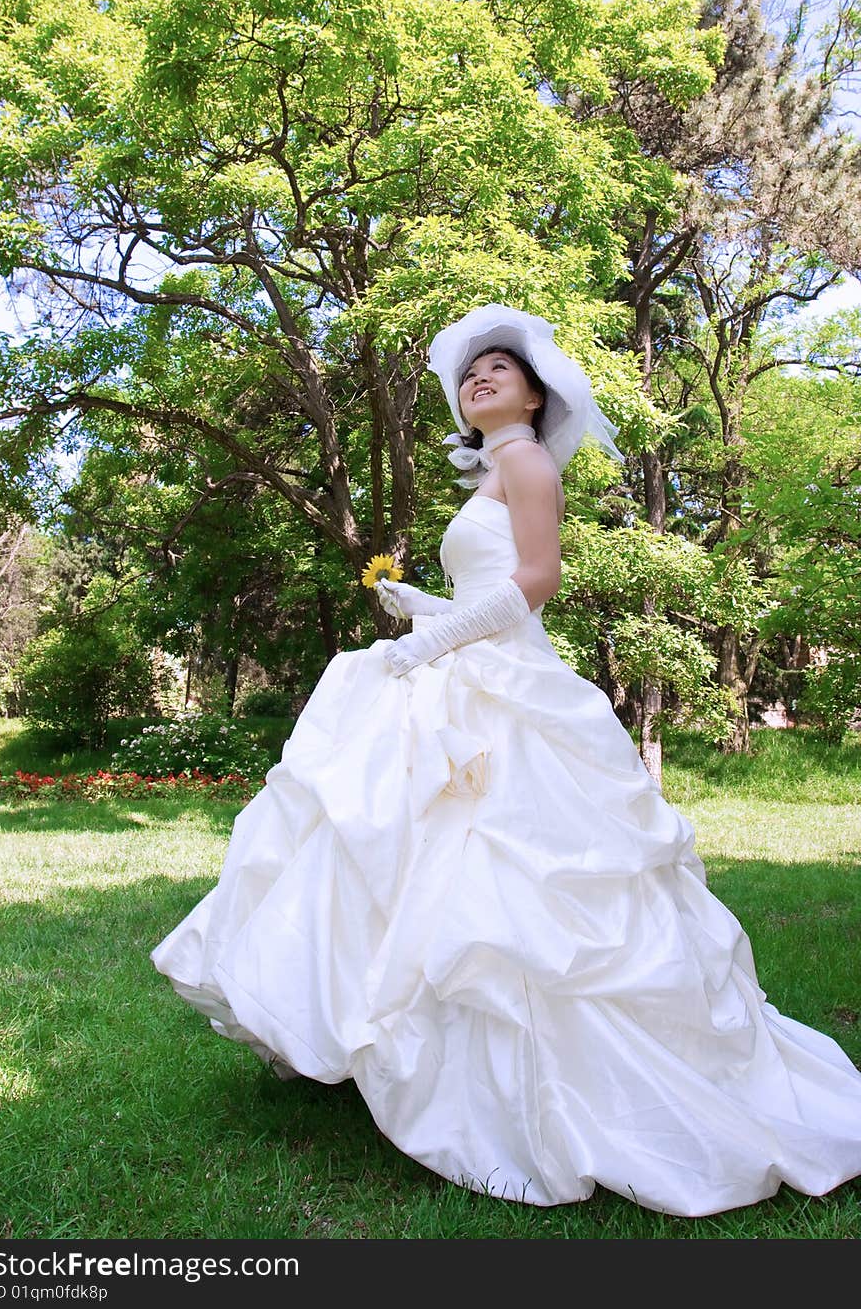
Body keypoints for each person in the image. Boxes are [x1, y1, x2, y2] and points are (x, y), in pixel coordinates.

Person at [150, 303, 861, 1217]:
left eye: (500, 369)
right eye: (469, 374)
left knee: (498, 862)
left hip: (500, 680)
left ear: (536, 393)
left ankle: (522, 1074)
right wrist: (422, 608)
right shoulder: (494, 470)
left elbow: (536, 582)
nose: (479, 379)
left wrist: (431, 639)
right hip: (471, 664)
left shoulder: (524, 458)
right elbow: (489, 580)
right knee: (421, 849)